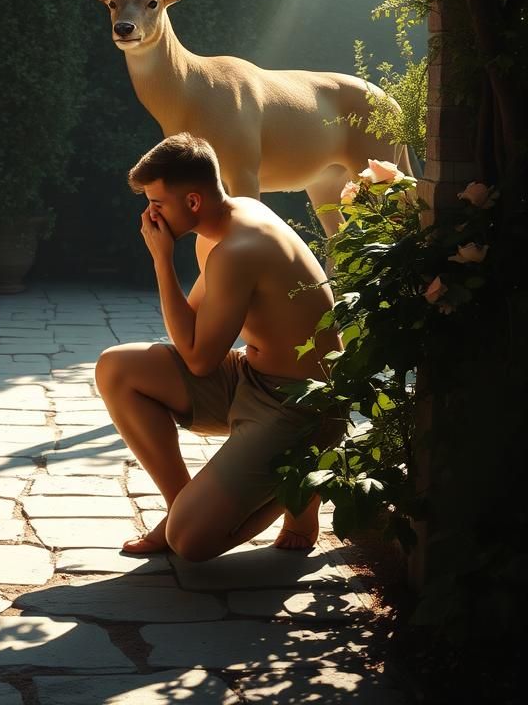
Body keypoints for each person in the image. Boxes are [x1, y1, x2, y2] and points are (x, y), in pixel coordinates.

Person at [96, 133, 346, 560]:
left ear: (192, 202)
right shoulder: (219, 227)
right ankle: (181, 506)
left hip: (300, 406)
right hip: (248, 376)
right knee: (115, 368)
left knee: (190, 543)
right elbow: (192, 331)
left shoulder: (239, 247)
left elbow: (198, 360)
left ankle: (300, 484)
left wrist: (161, 261)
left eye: (157, 204)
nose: (149, 215)